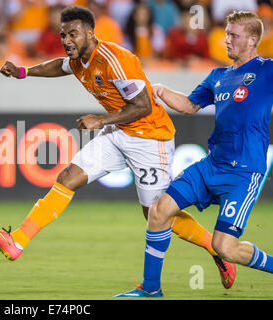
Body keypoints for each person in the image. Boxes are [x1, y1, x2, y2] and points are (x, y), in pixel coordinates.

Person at [0, 5, 236, 291]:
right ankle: (17, 242)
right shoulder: (77, 59)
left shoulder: (115, 60)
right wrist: (24, 71)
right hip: (118, 132)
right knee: (67, 177)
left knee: (157, 214)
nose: (66, 40)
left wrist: (100, 119)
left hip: (151, 139)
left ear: (90, 33)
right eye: (63, 34)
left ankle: (216, 248)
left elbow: (143, 106)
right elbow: (58, 66)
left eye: (73, 34)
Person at [117, 10, 273, 298]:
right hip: (211, 166)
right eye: (226, 34)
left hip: (244, 173)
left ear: (253, 40)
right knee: (159, 211)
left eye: (233, 36)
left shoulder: (268, 69)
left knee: (225, 247)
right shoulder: (218, 75)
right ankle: (151, 290)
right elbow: (189, 106)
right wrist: (160, 90)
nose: (226, 41)